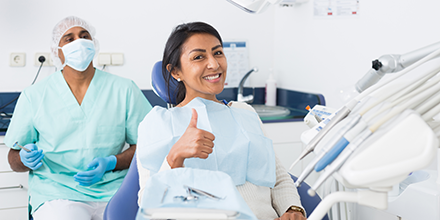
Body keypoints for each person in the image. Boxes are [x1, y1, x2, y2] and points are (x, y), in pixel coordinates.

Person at [136, 22, 307, 220]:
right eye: (199, 57)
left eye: (218, 53)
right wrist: (175, 156)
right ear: (175, 72)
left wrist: (293, 209)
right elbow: (147, 202)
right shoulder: (157, 124)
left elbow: (278, 177)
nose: (214, 64)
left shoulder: (245, 112)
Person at [5, 16, 152, 220]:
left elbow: (147, 145)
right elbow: (13, 157)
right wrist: (23, 158)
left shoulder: (124, 89)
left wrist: (111, 162)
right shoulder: (35, 95)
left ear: (93, 44)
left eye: (85, 36)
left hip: (114, 189)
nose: (79, 42)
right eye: (69, 38)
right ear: (57, 51)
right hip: (57, 192)